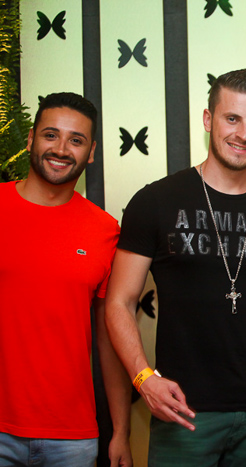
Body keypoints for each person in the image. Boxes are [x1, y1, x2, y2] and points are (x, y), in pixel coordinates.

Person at [104, 69, 246, 466]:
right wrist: (143, 377)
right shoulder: (155, 202)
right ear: (208, 119)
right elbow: (119, 301)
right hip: (181, 410)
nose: (242, 134)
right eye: (231, 118)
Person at [0, 92, 132, 467]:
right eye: (50, 135)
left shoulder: (105, 231)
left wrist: (121, 431)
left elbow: (109, 340)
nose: (61, 149)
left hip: (72, 439)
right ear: (31, 139)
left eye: (76, 140)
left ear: (91, 152)